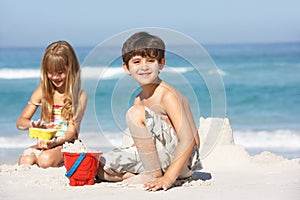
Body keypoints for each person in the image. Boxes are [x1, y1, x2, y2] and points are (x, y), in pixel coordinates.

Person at [97, 32, 201, 191]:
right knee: (99, 166)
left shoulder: (167, 95)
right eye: (137, 62)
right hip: (159, 158)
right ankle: (141, 176)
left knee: (136, 113)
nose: (144, 66)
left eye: (151, 61)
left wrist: (167, 179)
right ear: (126, 68)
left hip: (184, 161)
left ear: (161, 64)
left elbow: (188, 140)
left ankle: (155, 176)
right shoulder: (138, 100)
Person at [16, 41, 87, 168]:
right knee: (25, 160)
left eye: (60, 72)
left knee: (45, 160)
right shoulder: (42, 91)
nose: (55, 77)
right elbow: (20, 122)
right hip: (45, 144)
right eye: (50, 72)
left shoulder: (79, 96)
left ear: (71, 69)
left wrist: (54, 143)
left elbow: (71, 132)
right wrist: (32, 125)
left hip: (67, 144)